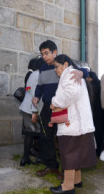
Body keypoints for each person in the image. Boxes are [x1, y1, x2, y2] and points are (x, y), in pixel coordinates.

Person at [32, 40, 87, 179]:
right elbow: (40, 86)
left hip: (62, 107)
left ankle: (67, 170)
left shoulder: (63, 63)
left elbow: (86, 71)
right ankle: (51, 166)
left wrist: (82, 73)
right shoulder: (43, 68)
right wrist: (37, 96)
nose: (44, 57)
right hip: (47, 107)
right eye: (42, 54)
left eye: (46, 53)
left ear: (54, 52)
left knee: (64, 139)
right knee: (45, 137)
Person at [49, 54, 96, 194]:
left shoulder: (69, 74)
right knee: (77, 153)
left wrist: (55, 102)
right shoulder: (74, 74)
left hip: (73, 123)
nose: (55, 70)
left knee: (69, 154)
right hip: (79, 122)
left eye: (56, 66)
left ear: (65, 65)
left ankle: (67, 187)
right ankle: (77, 180)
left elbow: (71, 94)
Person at [18, 57, 44, 166]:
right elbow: (35, 94)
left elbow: (28, 90)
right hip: (33, 109)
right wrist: (34, 111)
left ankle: (25, 158)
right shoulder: (40, 75)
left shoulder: (32, 74)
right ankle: (39, 158)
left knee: (29, 134)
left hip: (25, 107)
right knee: (39, 134)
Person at [86, 71, 104, 157]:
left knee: (97, 132)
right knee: (100, 131)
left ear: (91, 78)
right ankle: (100, 149)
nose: (87, 79)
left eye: (88, 78)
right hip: (101, 111)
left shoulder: (92, 86)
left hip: (95, 112)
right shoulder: (100, 84)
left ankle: (98, 149)